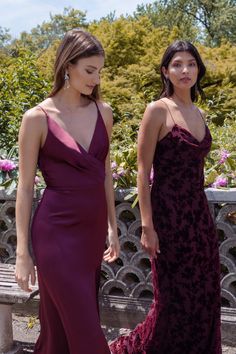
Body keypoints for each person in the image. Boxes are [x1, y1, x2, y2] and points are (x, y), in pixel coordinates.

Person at [110, 40, 222, 354]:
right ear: (165, 71)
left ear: (198, 69)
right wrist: (147, 226)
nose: (184, 70)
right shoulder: (157, 110)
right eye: (177, 64)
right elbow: (143, 174)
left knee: (204, 294)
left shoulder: (197, 112)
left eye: (191, 64)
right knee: (172, 300)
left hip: (198, 217)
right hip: (167, 217)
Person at [15, 28, 120, 354]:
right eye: (89, 70)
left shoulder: (104, 113)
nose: (95, 78)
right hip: (55, 235)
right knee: (87, 333)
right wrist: (22, 252)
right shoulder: (37, 118)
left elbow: (104, 173)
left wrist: (113, 227)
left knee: (60, 332)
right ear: (67, 66)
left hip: (90, 236)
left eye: (99, 71)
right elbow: (25, 186)